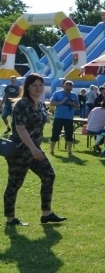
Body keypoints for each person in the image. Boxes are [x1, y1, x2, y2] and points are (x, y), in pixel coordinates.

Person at [4, 73, 66, 225]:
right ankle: (10, 219)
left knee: (48, 175)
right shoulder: (22, 104)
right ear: (27, 87)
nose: (38, 88)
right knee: (15, 183)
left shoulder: (40, 103)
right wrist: (33, 149)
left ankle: (46, 213)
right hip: (20, 150)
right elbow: (20, 128)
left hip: (34, 149)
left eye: (40, 84)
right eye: (34, 85)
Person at [49, 79, 79, 156]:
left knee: (69, 134)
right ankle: (52, 150)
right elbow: (52, 103)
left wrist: (73, 104)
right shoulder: (57, 93)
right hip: (58, 117)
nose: (69, 90)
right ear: (63, 86)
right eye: (67, 88)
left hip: (69, 118)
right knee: (55, 134)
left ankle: (69, 151)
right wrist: (61, 102)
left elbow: (78, 106)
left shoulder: (74, 95)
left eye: (70, 88)